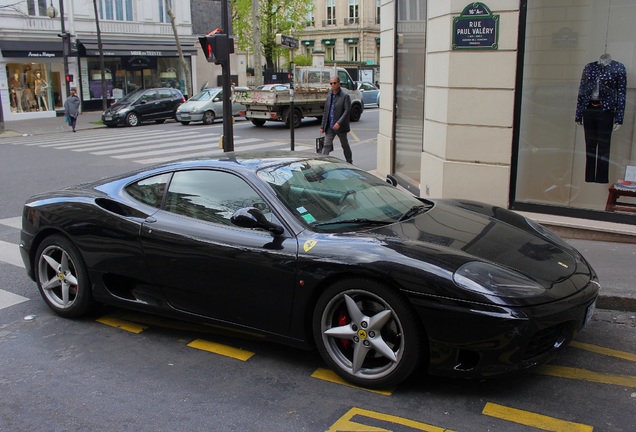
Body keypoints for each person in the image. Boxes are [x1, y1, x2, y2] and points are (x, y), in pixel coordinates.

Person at [575, 53, 627, 184]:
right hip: (589, 108)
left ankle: (602, 177)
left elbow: (621, 94)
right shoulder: (590, 67)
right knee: (590, 144)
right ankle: (589, 176)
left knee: (604, 145)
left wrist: (619, 117)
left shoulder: (618, 68)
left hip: (606, 110)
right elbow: (582, 90)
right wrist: (579, 113)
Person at [319, 76, 353, 164]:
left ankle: (349, 162)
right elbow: (326, 111)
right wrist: (322, 126)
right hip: (330, 126)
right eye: (331, 83)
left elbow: (347, 110)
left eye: (334, 83)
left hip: (340, 127)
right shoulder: (329, 95)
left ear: (338, 83)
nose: (333, 85)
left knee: (344, 145)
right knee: (326, 145)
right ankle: (323, 164)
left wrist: (339, 123)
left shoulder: (345, 96)